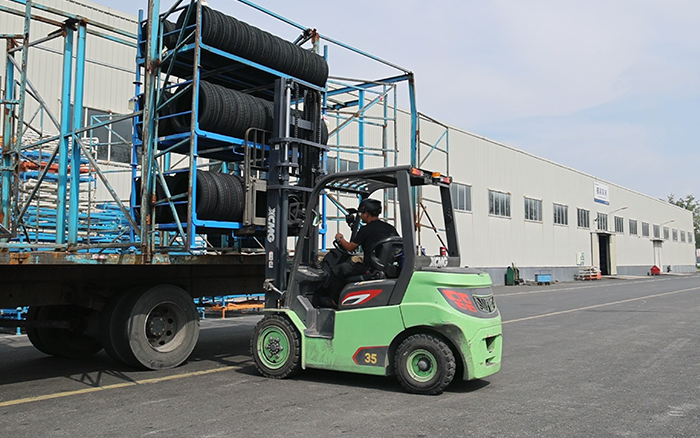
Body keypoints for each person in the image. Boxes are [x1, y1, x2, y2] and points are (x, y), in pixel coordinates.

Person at [328, 198, 399, 305]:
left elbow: (350, 247)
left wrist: (340, 238)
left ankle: (335, 302)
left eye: (361, 213)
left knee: (337, 270)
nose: (361, 216)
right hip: (386, 268)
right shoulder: (390, 228)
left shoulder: (366, 229)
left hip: (370, 269)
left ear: (366, 214)